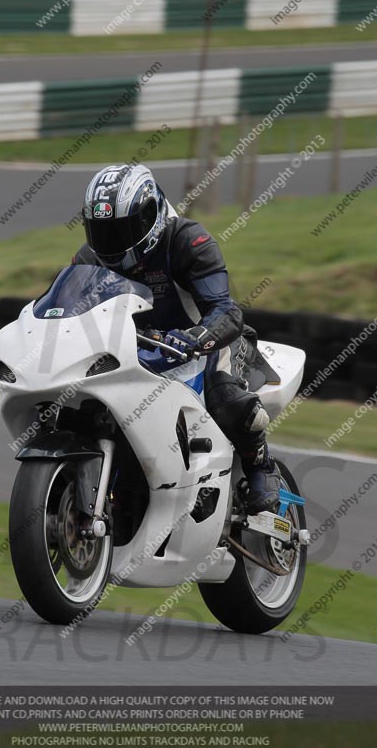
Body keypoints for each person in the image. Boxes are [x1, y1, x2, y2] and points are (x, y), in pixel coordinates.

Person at [72, 163, 282, 514]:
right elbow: (67, 309)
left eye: (121, 230)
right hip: (134, 353)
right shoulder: (88, 258)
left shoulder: (188, 240)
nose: (112, 243)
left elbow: (225, 311)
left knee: (225, 396)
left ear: (150, 215)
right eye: (103, 231)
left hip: (208, 343)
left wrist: (198, 337)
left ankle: (262, 467)